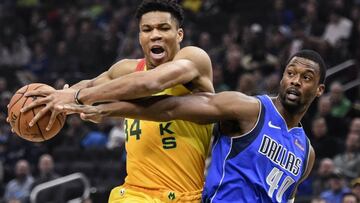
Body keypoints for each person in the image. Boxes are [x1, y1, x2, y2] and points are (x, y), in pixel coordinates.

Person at [63, 49, 326, 202]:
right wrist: (106, 108)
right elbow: (171, 108)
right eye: (291, 73)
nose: (295, 81)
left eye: (306, 77)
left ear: (319, 90)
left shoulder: (307, 153)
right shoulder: (249, 109)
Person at [15, 0, 214, 202]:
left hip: (183, 194)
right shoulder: (126, 69)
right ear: (140, 36)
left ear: (179, 34)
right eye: (147, 29)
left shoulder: (194, 59)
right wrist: (49, 102)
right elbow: (90, 84)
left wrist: (78, 96)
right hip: (133, 193)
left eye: (164, 28)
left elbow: (152, 82)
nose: (155, 35)